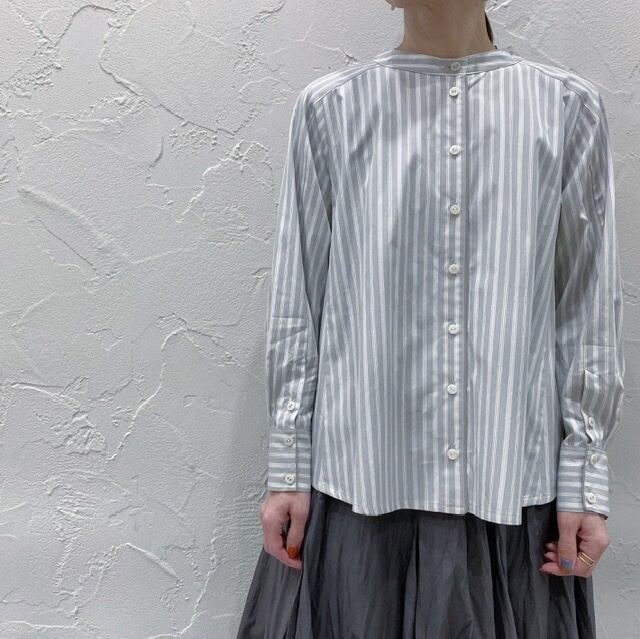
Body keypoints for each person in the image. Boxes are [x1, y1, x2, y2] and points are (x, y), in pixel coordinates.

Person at [236, 0, 625, 637]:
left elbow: (588, 303)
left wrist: (584, 476)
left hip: (510, 491)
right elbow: (297, 299)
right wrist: (288, 467)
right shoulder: (332, 110)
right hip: (362, 490)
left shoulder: (564, 108)